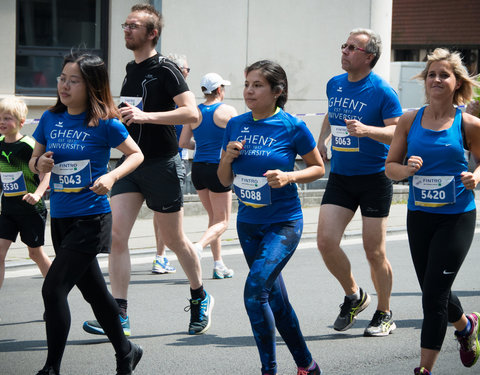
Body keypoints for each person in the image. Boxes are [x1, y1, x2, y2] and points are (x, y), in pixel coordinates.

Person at [82, 3, 214, 337]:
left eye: (134, 26)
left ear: (152, 33)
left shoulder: (166, 68)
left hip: (162, 163)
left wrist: (147, 118)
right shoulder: (131, 67)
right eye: (125, 25)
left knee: (173, 239)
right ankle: (119, 314)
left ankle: (199, 295)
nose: (126, 29)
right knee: (116, 236)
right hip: (132, 162)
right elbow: (131, 109)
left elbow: (192, 114)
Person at [31, 52, 144, 375]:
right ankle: (127, 351)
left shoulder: (106, 123)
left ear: (91, 84)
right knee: (95, 292)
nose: (64, 85)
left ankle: (52, 367)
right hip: (62, 218)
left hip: (91, 219)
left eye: (73, 80)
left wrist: (111, 176)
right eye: (61, 78)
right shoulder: (51, 118)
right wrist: (40, 165)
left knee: (53, 290)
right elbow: (34, 161)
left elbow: (137, 155)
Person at [218, 60, 325, 375]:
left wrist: (289, 177)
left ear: (278, 92)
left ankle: (269, 370)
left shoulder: (293, 126)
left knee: (254, 294)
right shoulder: (235, 124)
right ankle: (307, 365)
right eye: (247, 84)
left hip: (284, 223)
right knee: (275, 301)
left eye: (258, 85)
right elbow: (223, 180)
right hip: (248, 224)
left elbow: (318, 167)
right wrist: (227, 157)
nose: (249, 91)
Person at [385, 48, 480, 375]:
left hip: (457, 217)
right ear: (424, 81)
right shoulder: (410, 120)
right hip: (420, 215)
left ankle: (424, 369)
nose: (436, 79)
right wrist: (407, 170)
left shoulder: (468, 123)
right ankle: (466, 326)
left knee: (434, 295)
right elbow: (390, 168)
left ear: (456, 83)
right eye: (431, 74)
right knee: (432, 288)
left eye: (444, 75)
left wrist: (475, 176)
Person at [316, 28, 403, 337]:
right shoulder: (335, 84)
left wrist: (368, 131)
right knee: (326, 242)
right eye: (344, 45)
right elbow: (332, 113)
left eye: (352, 47)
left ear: (369, 57)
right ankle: (355, 296)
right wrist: (322, 138)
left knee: (374, 251)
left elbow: (397, 132)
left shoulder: (382, 91)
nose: (345, 50)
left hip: (375, 178)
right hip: (341, 176)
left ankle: (385, 312)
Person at [179, 72, 238, 279]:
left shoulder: (194, 111)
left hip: (199, 169)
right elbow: (238, 140)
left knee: (214, 219)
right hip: (218, 169)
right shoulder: (228, 110)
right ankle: (199, 246)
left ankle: (218, 264)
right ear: (220, 90)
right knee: (223, 222)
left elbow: (184, 143)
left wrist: (202, 144)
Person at [0, 97, 51, 291]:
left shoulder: (28, 146)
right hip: (8, 210)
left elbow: (46, 173)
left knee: (35, 254)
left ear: (21, 122)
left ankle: (56, 293)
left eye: (7, 118)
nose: (2, 122)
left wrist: (38, 194)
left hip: (31, 210)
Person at [151, 53, 190, 275]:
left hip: (170, 158)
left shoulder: (170, 98)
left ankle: (161, 256)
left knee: (160, 211)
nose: (186, 74)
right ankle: (162, 256)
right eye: (185, 70)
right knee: (170, 215)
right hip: (169, 160)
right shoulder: (177, 100)